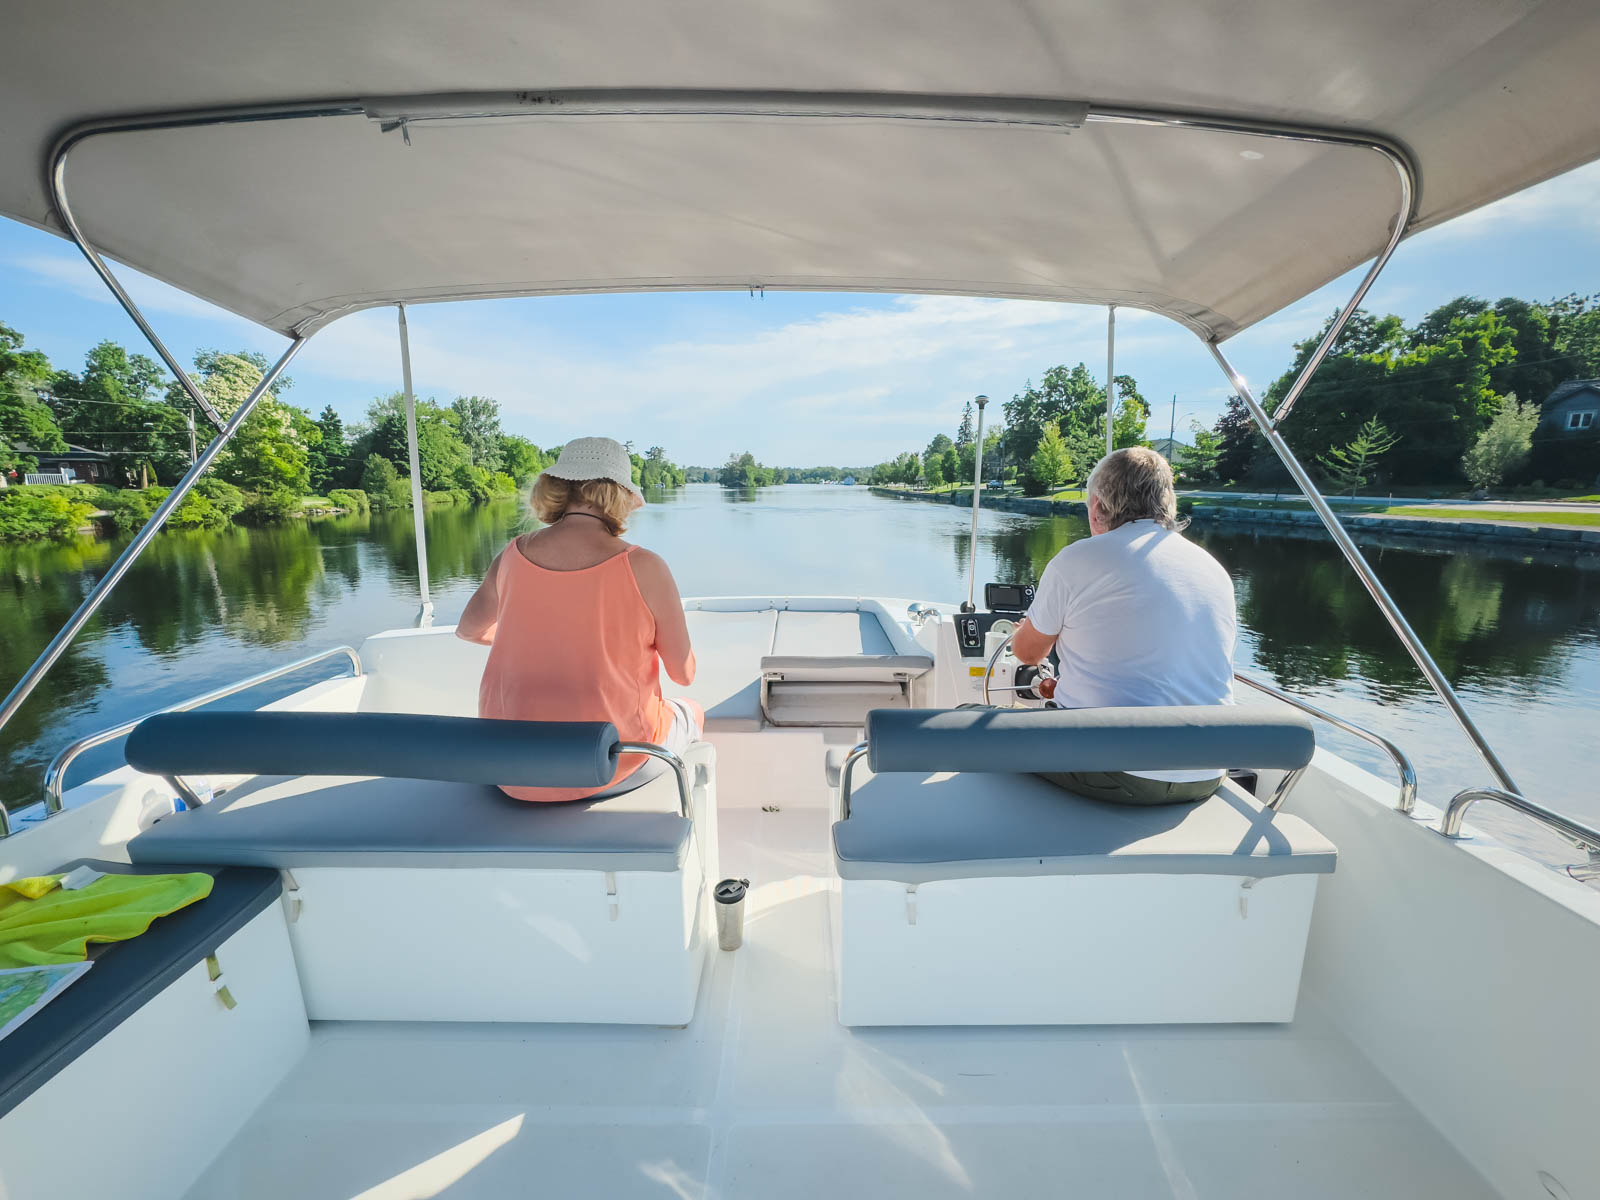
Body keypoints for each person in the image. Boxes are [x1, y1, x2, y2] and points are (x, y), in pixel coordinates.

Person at [456, 436, 703, 802]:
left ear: (557, 489)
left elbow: (469, 630)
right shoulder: (645, 565)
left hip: (508, 770)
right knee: (692, 711)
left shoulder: (512, 554)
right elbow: (683, 673)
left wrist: (542, 641)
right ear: (619, 495)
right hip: (605, 769)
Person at [1010, 446, 1236, 805]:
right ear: (1168, 504)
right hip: (1208, 775)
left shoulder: (1078, 558)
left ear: (1097, 506)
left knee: (972, 722)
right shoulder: (1213, 570)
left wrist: (1025, 631)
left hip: (1119, 771)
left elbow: (1027, 652)